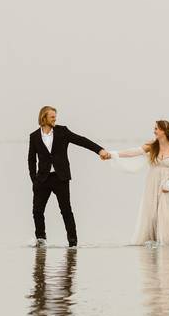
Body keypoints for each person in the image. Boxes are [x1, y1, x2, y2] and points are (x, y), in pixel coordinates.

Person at [28, 106, 111, 248]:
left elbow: (82, 140)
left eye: (55, 116)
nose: (55, 118)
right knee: (37, 211)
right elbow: (31, 159)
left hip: (61, 178)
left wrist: (99, 150)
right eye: (52, 116)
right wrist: (34, 180)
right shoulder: (34, 136)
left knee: (66, 210)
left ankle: (73, 243)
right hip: (42, 179)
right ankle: (41, 239)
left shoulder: (62, 131)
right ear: (44, 118)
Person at [111, 119, 169, 246]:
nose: (154, 131)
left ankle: (166, 241)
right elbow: (134, 151)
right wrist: (114, 154)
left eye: (157, 129)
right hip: (152, 182)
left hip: (167, 184)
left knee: (165, 213)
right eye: (155, 128)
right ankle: (152, 240)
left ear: (164, 131)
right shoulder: (153, 145)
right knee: (151, 213)